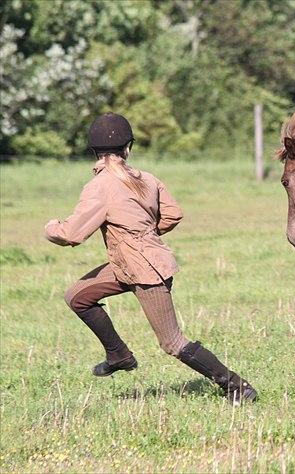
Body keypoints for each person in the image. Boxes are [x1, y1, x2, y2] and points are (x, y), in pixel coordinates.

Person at [44, 112, 257, 405]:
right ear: (128, 148)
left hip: (146, 271)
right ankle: (119, 355)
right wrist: (146, 235)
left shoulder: (100, 186)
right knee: (76, 296)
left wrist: (50, 227)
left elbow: (72, 234)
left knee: (172, 342)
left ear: (93, 151)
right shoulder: (148, 179)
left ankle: (237, 386)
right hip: (126, 266)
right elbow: (173, 214)